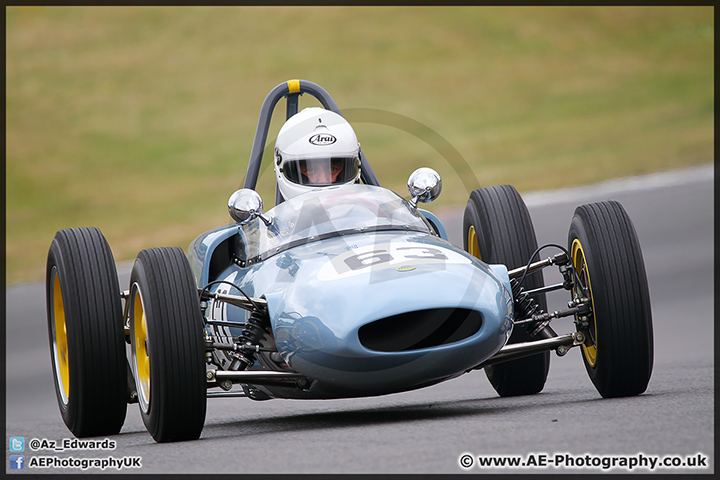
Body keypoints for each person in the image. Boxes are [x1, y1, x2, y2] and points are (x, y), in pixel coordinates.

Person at [274, 107, 361, 201]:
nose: (323, 180)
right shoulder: (273, 215)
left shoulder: (371, 213)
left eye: (332, 169)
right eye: (311, 170)